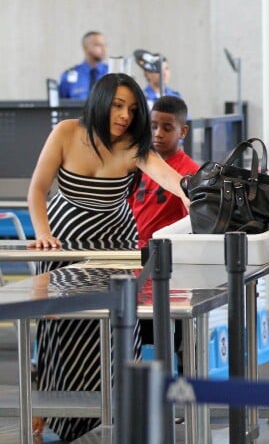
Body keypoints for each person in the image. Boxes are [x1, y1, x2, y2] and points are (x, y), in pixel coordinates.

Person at [27, 72, 189, 441]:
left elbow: (172, 180)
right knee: (60, 334)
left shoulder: (136, 146)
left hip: (116, 247)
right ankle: (57, 417)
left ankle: (113, 422)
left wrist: (201, 196)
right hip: (63, 246)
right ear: (100, 101)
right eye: (117, 105)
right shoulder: (67, 132)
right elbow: (37, 189)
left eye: (132, 109)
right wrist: (42, 234)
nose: (124, 116)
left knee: (117, 333)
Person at [129, 95, 199, 249]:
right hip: (134, 249)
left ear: (183, 132)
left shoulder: (191, 171)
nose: (158, 133)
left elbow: (191, 221)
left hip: (167, 251)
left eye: (167, 128)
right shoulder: (137, 162)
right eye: (153, 126)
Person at [58, 31, 109, 99]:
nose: (104, 49)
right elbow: (60, 106)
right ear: (86, 48)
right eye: (98, 45)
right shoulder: (69, 75)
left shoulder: (111, 73)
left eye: (105, 45)